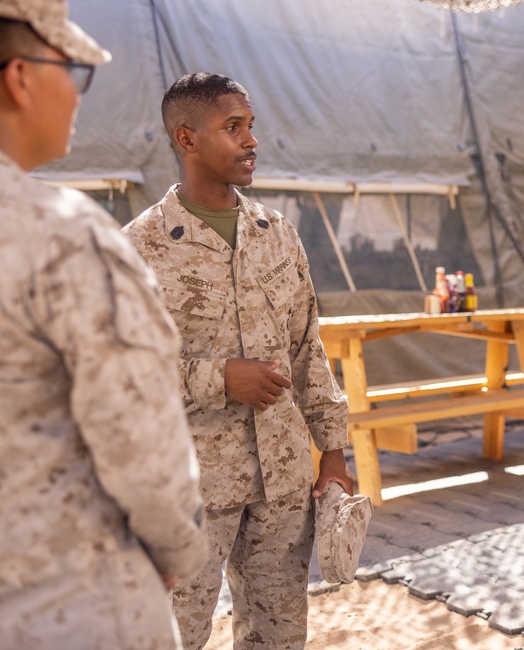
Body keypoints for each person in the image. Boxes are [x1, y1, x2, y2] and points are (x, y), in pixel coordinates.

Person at [0, 0, 207, 648]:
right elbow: (142, 443)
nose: (80, 95)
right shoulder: (60, 236)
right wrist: (178, 548)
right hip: (69, 605)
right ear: (21, 78)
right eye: (75, 71)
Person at [123, 73, 353, 650]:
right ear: (187, 138)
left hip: (283, 484)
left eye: (250, 126)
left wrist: (333, 452)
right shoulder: (137, 248)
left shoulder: (277, 235)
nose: (251, 141)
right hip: (186, 491)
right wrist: (218, 377)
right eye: (233, 128)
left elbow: (308, 350)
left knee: (278, 636)